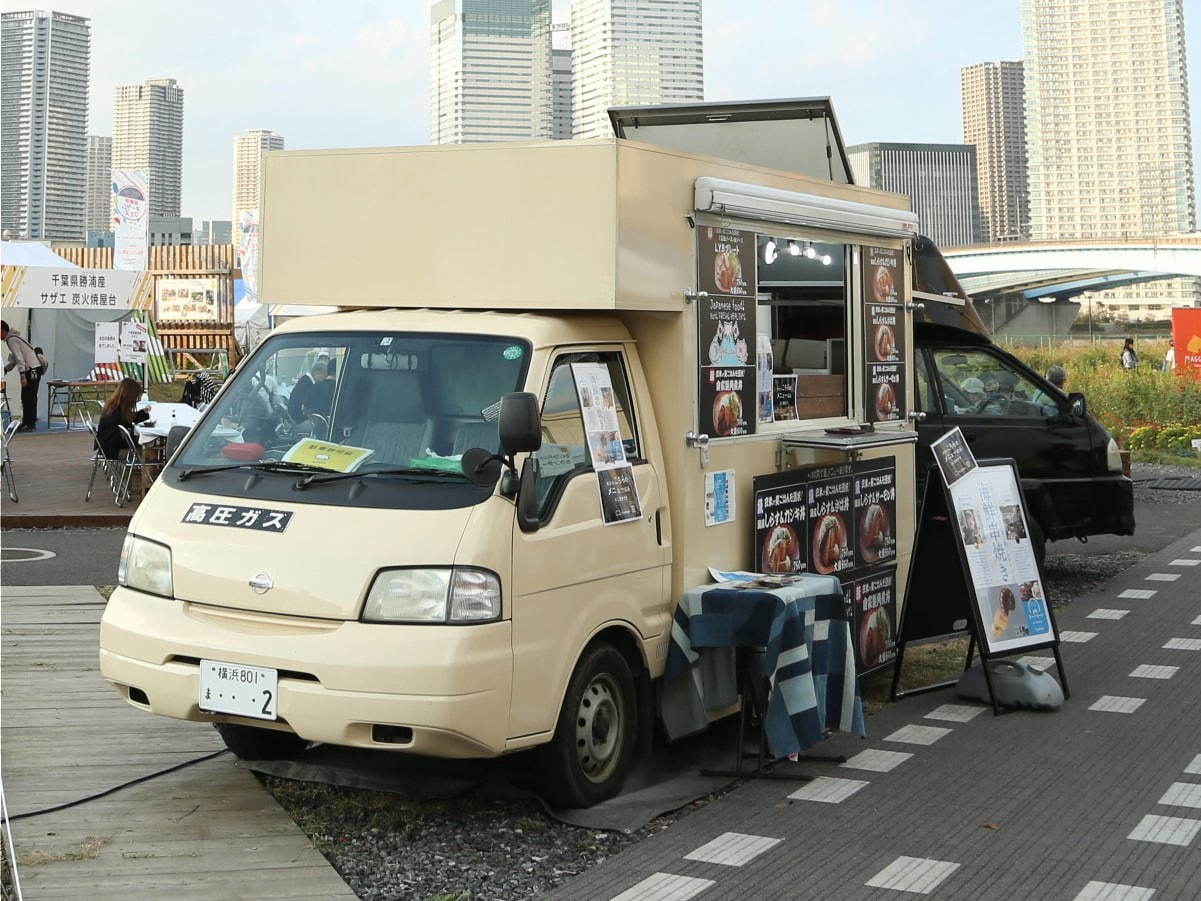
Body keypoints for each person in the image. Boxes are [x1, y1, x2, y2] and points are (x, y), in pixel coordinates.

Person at [96, 377, 151, 459]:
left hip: (107, 449)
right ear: (130, 397)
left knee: (145, 446)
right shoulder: (115, 414)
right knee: (152, 453)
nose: (136, 401)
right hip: (113, 451)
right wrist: (135, 442)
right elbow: (116, 438)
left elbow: (128, 419)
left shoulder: (114, 408)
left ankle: (139, 470)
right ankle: (152, 471)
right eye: (136, 397)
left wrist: (143, 413)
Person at [2, 320, 43, 431]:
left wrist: (22, 376)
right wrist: (5, 369)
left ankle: (29, 423)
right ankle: (29, 421)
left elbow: (20, 359)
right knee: (28, 396)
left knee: (28, 396)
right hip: (33, 368)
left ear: (2, 330)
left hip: (32, 369)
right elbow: (16, 359)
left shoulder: (11, 340)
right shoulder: (14, 338)